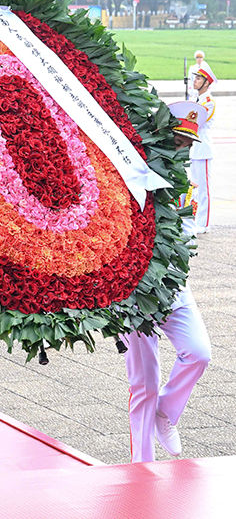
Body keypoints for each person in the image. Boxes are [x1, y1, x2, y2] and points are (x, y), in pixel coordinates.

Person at [123, 100, 212, 463]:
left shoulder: (184, 182)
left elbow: (187, 230)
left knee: (199, 352)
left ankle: (166, 413)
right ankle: (141, 466)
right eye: (178, 141)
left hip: (173, 285)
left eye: (188, 144)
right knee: (143, 382)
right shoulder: (136, 171)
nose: (183, 149)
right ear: (161, 135)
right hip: (136, 291)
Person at [186, 66, 216, 234]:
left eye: (198, 79)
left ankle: (204, 223)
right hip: (195, 149)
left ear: (206, 83)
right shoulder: (196, 100)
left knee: (204, 189)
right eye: (195, 78)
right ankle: (196, 219)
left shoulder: (208, 102)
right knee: (195, 188)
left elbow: (196, 122)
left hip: (203, 148)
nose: (195, 81)